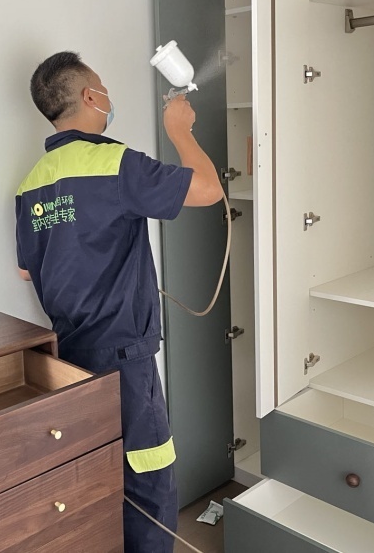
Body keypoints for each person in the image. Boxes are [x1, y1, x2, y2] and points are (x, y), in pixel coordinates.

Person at [14, 51, 222, 552]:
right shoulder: (113, 161)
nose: (108, 96)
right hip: (124, 358)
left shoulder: (32, 182)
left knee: (97, 481)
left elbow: (26, 269)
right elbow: (208, 190)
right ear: (90, 96)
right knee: (149, 484)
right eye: (102, 87)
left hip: (67, 357)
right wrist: (179, 130)